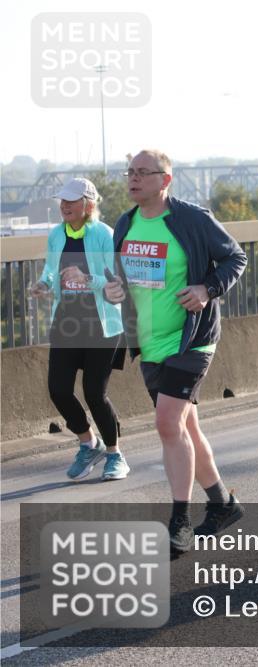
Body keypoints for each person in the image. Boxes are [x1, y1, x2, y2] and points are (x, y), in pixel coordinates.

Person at [104, 149, 248, 551]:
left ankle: (179, 522)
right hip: (148, 342)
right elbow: (120, 281)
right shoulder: (126, 223)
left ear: (165, 180)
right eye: (129, 171)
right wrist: (112, 289)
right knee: (186, 427)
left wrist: (207, 288)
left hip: (192, 339)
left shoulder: (192, 219)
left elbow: (235, 257)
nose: (133, 179)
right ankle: (222, 504)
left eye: (143, 173)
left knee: (168, 423)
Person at [29, 178, 128, 481]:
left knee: (94, 394)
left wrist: (87, 278)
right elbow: (50, 268)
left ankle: (114, 454)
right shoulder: (57, 234)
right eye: (62, 201)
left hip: (101, 322)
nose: (64, 206)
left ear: (88, 204)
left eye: (71, 201)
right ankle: (89, 444)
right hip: (66, 321)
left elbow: (116, 281)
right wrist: (44, 283)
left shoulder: (104, 234)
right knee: (58, 389)